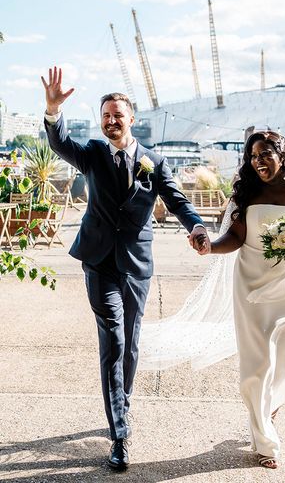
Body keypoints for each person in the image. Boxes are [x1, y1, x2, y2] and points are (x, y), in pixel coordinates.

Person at [41, 66, 210, 471]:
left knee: (131, 345)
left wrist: (198, 226)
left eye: (118, 114)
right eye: (106, 115)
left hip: (136, 266)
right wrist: (52, 110)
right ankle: (119, 434)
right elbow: (61, 143)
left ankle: (122, 404)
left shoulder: (154, 160)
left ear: (131, 119)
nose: (111, 120)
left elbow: (179, 200)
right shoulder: (94, 154)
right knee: (113, 340)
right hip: (99, 262)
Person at [194, 130, 285, 469]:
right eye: (252, 156)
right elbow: (235, 236)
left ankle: (269, 409)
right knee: (256, 364)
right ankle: (265, 442)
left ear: (282, 154)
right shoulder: (247, 191)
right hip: (250, 282)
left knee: (284, 363)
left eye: (265, 154)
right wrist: (211, 247)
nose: (258, 161)